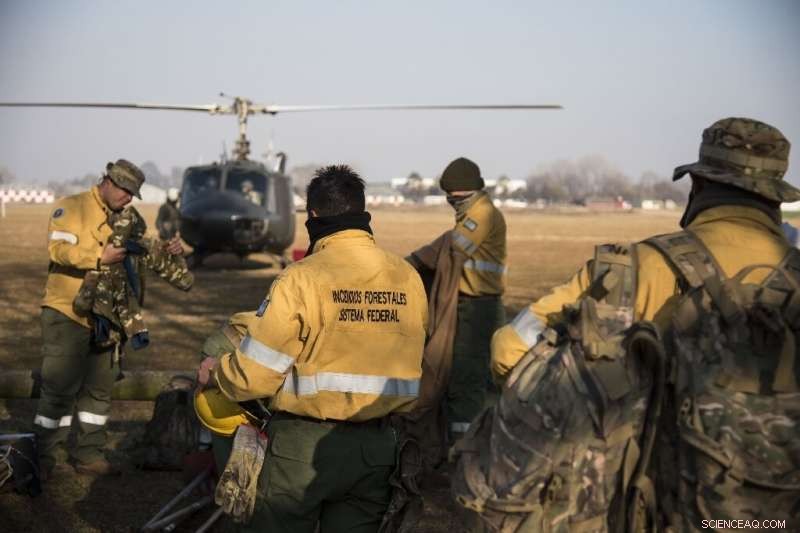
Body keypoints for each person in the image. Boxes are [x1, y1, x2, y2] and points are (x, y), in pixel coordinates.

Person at [488, 117, 800, 529]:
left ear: (699, 187)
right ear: (774, 198)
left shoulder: (636, 268)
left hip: (662, 507)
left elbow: (509, 347)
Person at [199, 164, 428, 532]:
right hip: (379, 449)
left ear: (314, 216)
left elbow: (253, 377)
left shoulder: (301, 278)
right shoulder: (407, 277)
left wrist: (216, 371)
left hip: (302, 450)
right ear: (362, 213)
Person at [33, 159, 183, 478]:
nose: (129, 198)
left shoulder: (126, 218)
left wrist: (172, 252)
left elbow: (143, 249)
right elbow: (58, 250)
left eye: (133, 194)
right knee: (59, 389)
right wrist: (97, 259)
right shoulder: (71, 207)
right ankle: (44, 457)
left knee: (99, 391)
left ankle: (89, 455)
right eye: (126, 191)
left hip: (108, 319)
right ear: (109, 182)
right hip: (67, 313)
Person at [437, 157, 507, 439]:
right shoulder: (473, 212)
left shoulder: (482, 215)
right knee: (473, 374)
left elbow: (454, 248)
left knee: (467, 378)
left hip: (479, 308)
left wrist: (414, 262)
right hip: (475, 305)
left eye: (455, 199)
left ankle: (462, 446)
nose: (452, 204)